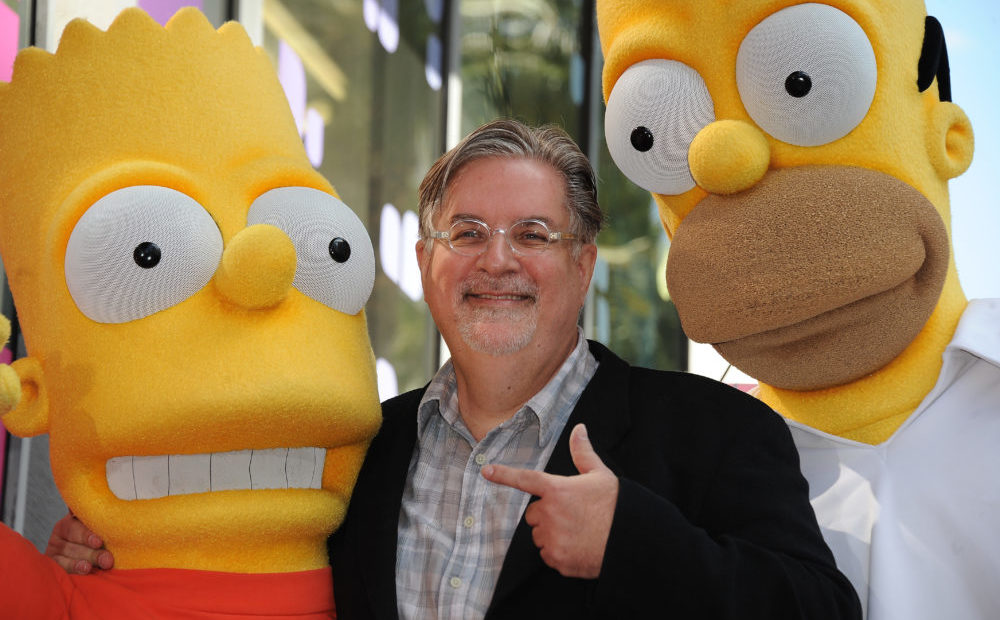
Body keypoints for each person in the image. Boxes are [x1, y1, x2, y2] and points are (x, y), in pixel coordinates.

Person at [47, 119, 860, 619]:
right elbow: (253, 564)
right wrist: (122, 547)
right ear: (426, 261)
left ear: (582, 267)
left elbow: (823, 610)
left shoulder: (714, 429)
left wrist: (634, 543)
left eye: (533, 235)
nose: (496, 260)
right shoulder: (361, 447)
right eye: (466, 232)